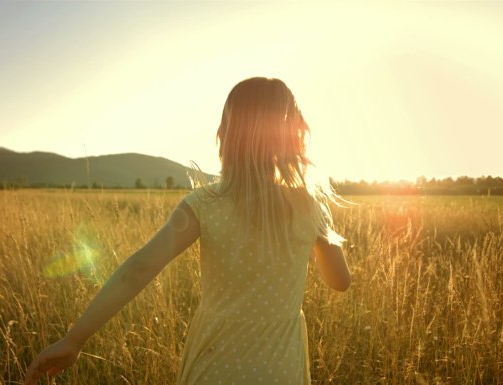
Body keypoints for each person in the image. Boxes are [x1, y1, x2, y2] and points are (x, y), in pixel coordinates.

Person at [24, 77, 351, 385]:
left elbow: (137, 270)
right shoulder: (311, 206)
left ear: (226, 134)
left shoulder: (205, 204)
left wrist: (74, 339)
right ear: (295, 134)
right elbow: (340, 281)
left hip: (213, 368)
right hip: (281, 371)